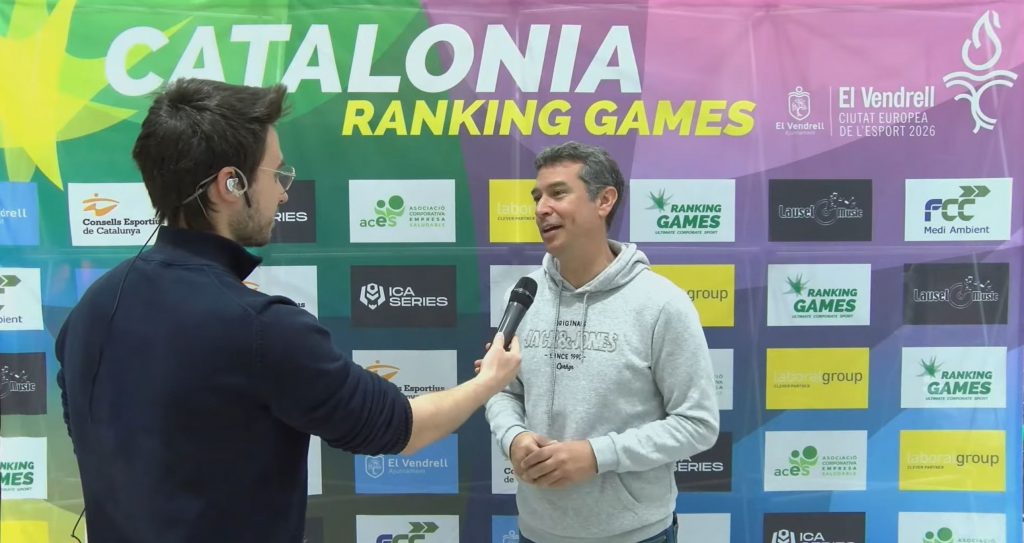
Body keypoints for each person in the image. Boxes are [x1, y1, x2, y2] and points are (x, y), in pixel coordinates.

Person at [54, 78, 521, 542]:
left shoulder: (92, 307)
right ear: (230, 184)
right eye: (276, 173)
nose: (283, 193)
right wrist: (489, 381)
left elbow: (85, 431)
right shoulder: (262, 329)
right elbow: (403, 429)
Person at [485, 142, 719, 543]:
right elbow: (502, 390)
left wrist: (597, 456)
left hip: (636, 534)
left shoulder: (662, 303)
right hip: (537, 531)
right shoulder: (525, 297)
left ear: (604, 200)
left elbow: (698, 424)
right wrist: (514, 437)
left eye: (558, 193)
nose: (541, 208)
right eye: (537, 197)